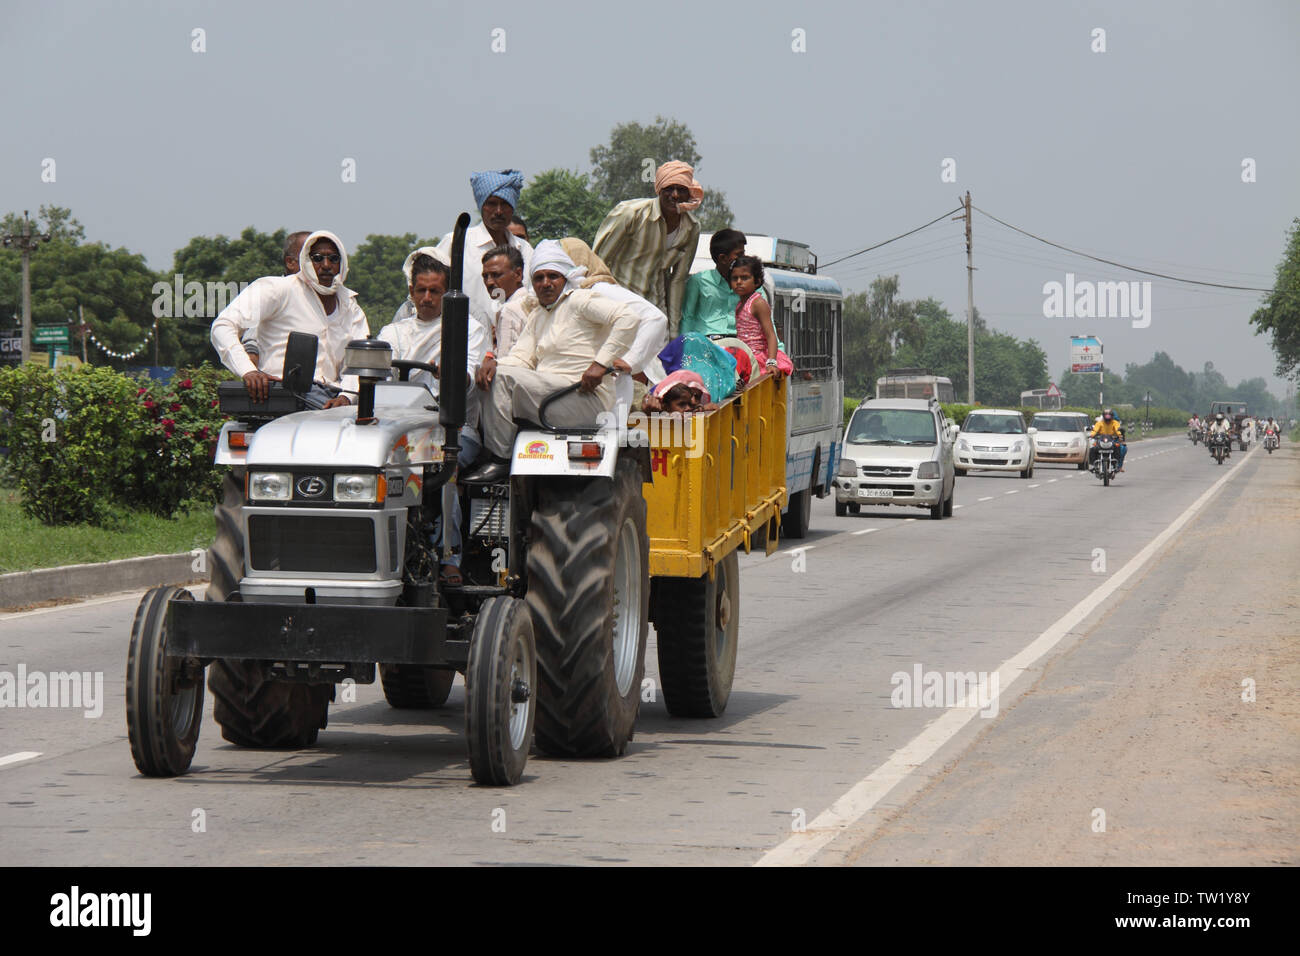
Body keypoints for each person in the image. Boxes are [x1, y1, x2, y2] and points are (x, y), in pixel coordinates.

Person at [468, 241, 639, 482]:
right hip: (552, 396)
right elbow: (522, 358)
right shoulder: (539, 314)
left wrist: (600, 364)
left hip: (582, 397)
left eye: (553, 276)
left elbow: (628, 318)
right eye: (538, 278)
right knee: (485, 375)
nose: (545, 283)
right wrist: (493, 364)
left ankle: (500, 459)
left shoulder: (579, 300)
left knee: (501, 377)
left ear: (565, 278)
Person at [376, 249, 485, 584]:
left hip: (454, 429)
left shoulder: (468, 329)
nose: (426, 298)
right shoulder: (393, 333)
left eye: (434, 291)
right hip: (400, 429)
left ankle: (449, 556)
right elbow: (371, 378)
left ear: (446, 294)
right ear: (411, 292)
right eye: (420, 290)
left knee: (443, 464)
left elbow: (467, 379)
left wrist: (450, 374)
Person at [211, 230, 367, 409]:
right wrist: (248, 370)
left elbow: (360, 361)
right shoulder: (278, 289)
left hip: (333, 398)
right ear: (305, 261)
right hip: (283, 394)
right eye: (317, 258)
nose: (326, 265)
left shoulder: (350, 305)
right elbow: (223, 326)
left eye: (333, 258)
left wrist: (346, 397)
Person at [593, 160, 702, 337]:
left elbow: (678, 280)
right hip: (618, 301)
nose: (674, 195)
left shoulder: (691, 227)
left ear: (688, 194)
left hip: (654, 305)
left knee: (656, 361)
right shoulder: (631, 213)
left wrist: (674, 330)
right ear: (659, 190)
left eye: (681, 190)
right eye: (669, 189)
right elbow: (598, 261)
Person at [440, 169, 533, 337]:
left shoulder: (525, 250)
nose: (498, 211)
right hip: (465, 338)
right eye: (491, 203)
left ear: (512, 208)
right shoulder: (458, 242)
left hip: (516, 340)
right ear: (481, 206)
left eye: (504, 204)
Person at [241, 230, 311, 367]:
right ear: (290, 262)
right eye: (310, 258)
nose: (323, 265)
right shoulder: (273, 293)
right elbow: (251, 347)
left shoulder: (336, 301)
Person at [729, 256, 792, 376]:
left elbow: (770, 335)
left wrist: (771, 362)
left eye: (745, 278)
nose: (738, 282)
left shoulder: (758, 303)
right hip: (744, 357)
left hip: (757, 359)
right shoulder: (739, 304)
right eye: (734, 278)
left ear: (757, 281)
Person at [681, 229, 748, 338]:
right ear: (723, 258)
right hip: (707, 342)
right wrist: (684, 346)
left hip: (741, 342)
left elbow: (765, 318)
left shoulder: (751, 283)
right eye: (739, 255)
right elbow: (687, 317)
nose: (744, 259)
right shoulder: (699, 280)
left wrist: (777, 351)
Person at [480, 245, 529, 360]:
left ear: (518, 274)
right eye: (485, 276)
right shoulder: (529, 300)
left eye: (496, 275)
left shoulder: (510, 310)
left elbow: (504, 365)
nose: (489, 282)